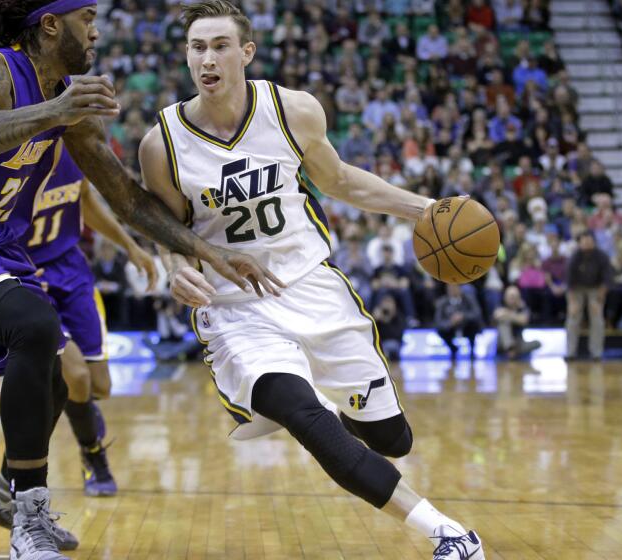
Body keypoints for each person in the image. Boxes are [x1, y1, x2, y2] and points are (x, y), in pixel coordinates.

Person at [0, 1, 280, 558]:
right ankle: (29, 518)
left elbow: (128, 198)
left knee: (67, 376)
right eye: (87, 17)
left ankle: (5, 493)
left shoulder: (69, 101)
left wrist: (209, 252)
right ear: (51, 24)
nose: (97, 29)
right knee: (34, 328)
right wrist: (56, 110)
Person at [138, 2, 484, 558]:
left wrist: (428, 208)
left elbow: (342, 180)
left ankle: (330, 399)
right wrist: (176, 267)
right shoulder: (163, 143)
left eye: (220, 45)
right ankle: (448, 534)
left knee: (392, 439)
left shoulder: (292, 111)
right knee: (309, 420)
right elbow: (166, 226)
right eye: (197, 47)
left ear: (246, 53)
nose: (208, 58)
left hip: (311, 285)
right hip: (234, 307)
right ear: (186, 56)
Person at [0, 152, 158, 535]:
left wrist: (130, 246)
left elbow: (85, 200)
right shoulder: (18, 154)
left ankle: (84, 437)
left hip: (70, 269)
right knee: (74, 374)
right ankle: (93, 459)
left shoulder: (77, 145)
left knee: (97, 386)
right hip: (25, 272)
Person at [565, 231, 613, 361]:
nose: (586, 243)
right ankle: (570, 352)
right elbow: (569, 282)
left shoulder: (602, 256)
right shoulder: (574, 257)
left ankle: (596, 353)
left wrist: (599, 298)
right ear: (579, 243)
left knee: (597, 317)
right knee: (573, 317)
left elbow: (607, 278)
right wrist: (572, 302)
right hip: (576, 289)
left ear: (594, 242)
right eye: (583, 240)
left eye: (589, 240)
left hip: (596, 288)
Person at [434, 283, 483, 360]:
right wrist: (450, 322)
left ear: (460, 288)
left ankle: (472, 351)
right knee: (440, 330)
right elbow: (438, 322)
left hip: (466, 326)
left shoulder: (469, 299)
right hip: (451, 328)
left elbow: (477, 314)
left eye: (454, 287)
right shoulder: (442, 302)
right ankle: (453, 349)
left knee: (474, 325)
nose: (452, 290)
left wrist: (463, 316)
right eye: (450, 288)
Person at [493, 286, 541, 359]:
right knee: (503, 323)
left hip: (519, 343)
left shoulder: (522, 308)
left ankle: (513, 350)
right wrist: (515, 317)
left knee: (537, 343)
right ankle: (510, 348)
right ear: (505, 297)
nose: (512, 299)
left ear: (519, 298)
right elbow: (497, 315)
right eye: (510, 297)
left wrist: (507, 314)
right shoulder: (500, 305)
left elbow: (524, 320)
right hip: (502, 344)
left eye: (514, 297)